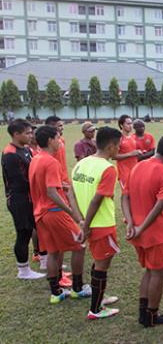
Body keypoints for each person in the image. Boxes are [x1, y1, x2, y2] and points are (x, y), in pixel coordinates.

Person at [121, 133, 163, 328]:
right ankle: (152, 315)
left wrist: (131, 223)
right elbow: (159, 205)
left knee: (149, 272)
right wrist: (141, 227)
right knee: (157, 273)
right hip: (154, 232)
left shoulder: (138, 165)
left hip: (137, 232)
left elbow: (125, 197)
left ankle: (144, 313)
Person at [29, 125, 89, 304]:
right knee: (80, 246)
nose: (60, 141)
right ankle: (78, 288)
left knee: (54, 252)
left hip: (40, 214)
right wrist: (71, 212)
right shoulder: (51, 161)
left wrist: (60, 187)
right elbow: (51, 192)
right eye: (57, 137)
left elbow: (45, 185)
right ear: (49, 140)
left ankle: (56, 292)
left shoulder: (36, 159)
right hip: (54, 212)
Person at [71, 126, 122, 319]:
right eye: (118, 146)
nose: (119, 149)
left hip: (89, 223)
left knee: (99, 261)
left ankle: (98, 294)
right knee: (102, 265)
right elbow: (97, 200)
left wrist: (80, 221)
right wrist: (85, 226)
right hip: (101, 225)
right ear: (110, 146)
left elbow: (71, 193)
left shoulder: (82, 163)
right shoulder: (108, 169)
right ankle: (96, 309)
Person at [2, 119, 45, 279]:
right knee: (24, 233)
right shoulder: (10, 154)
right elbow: (20, 181)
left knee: (39, 228)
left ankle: (45, 260)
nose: (31, 135)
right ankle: (23, 270)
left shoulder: (25, 149)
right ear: (16, 134)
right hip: (19, 200)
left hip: (31, 197)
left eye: (31, 132)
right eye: (27, 133)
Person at [112, 115, 140, 190]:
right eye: (128, 124)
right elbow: (113, 156)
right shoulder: (118, 138)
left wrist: (139, 153)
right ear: (121, 125)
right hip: (124, 173)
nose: (130, 126)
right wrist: (131, 154)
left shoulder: (132, 137)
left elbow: (133, 152)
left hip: (134, 171)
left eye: (131, 123)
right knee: (126, 195)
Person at [44, 116, 69, 186]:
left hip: (64, 178)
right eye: (60, 126)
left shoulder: (62, 140)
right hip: (56, 180)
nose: (62, 128)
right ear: (51, 126)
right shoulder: (46, 144)